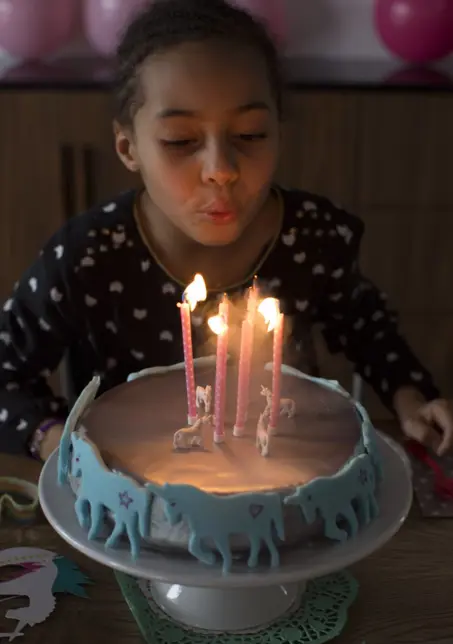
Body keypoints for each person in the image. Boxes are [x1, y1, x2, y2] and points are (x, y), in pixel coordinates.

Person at [0, 0, 451, 462]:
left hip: (283, 476)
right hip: (132, 500)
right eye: (180, 141)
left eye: (251, 134)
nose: (221, 170)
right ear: (128, 147)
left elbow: (368, 331)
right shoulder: (89, 255)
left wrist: (411, 400)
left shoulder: (311, 237)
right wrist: (54, 437)